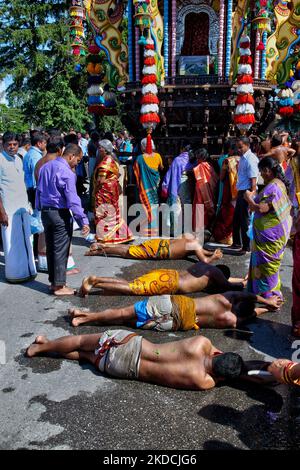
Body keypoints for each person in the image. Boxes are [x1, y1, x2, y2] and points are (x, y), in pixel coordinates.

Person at [25, 331, 289, 390]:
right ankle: (46, 348)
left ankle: (42, 347)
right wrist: (269, 377)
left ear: (218, 354)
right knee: (85, 356)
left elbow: (221, 358)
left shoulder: (202, 344)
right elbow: (234, 376)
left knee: (84, 343)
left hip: (132, 346)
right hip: (123, 369)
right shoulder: (205, 382)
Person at [69, 291, 283, 330]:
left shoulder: (224, 299)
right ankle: (84, 318)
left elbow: (247, 296)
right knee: (125, 320)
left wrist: (266, 300)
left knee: (124, 313)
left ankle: (85, 317)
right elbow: (251, 314)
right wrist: (265, 308)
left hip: (173, 305)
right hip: (174, 323)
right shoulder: (230, 320)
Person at [36, 144, 90, 295]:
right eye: (78, 160)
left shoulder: (45, 167)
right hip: (60, 213)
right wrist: (83, 220)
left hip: (46, 212)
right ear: (71, 156)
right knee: (60, 249)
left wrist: (40, 208)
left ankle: (54, 283)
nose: (77, 164)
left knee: (52, 248)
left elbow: (38, 191)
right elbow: (73, 199)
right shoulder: (67, 172)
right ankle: (59, 286)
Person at [245, 157, 292, 299]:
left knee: (267, 265)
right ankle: (265, 292)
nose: (260, 175)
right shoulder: (279, 184)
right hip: (274, 234)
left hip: (270, 238)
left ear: (268, 171)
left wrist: (248, 198)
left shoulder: (273, 187)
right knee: (268, 266)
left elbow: (261, 208)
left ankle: (269, 295)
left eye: (261, 171)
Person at [78, 261, 246, 297]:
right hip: (170, 283)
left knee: (133, 283)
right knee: (134, 289)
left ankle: (97, 280)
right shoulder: (215, 274)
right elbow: (226, 285)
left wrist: (240, 279)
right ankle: (94, 280)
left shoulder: (204, 266)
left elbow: (223, 280)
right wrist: (243, 284)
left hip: (167, 274)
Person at [0, 131, 37, 282]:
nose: (12, 147)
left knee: (27, 240)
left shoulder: (19, 158)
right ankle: (14, 275)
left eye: (15, 144)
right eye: (9, 145)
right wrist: (2, 212)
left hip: (23, 208)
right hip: (8, 209)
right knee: (11, 243)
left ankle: (28, 271)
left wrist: (28, 205)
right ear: (3, 145)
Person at [85, 232, 223, 264]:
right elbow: (204, 260)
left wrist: (211, 252)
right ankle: (101, 250)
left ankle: (105, 245)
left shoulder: (189, 236)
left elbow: (201, 251)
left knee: (132, 247)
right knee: (128, 252)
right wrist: (213, 257)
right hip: (160, 250)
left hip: (158, 243)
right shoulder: (196, 245)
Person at [92, 139, 133, 244]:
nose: (98, 150)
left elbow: (101, 180)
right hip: (112, 189)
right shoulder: (113, 159)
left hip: (104, 191)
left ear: (105, 150)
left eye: (100, 148)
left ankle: (106, 236)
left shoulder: (105, 162)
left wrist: (95, 188)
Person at [230, 137, 259, 254]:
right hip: (241, 191)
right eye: (238, 147)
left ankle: (246, 246)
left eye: (240, 147)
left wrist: (251, 196)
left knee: (244, 220)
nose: (239, 149)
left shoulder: (250, 159)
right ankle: (237, 243)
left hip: (246, 192)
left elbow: (253, 180)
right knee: (237, 219)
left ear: (247, 145)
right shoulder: (243, 158)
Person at [161, 142, 197, 235]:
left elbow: (170, 174)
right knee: (187, 205)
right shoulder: (193, 159)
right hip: (189, 183)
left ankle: (176, 230)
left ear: (182, 149)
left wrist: (165, 184)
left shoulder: (178, 159)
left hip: (178, 184)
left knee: (176, 207)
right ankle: (187, 229)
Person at [133, 137, 164, 237]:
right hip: (154, 186)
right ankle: (154, 230)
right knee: (154, 206)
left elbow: (136, 173)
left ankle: (144, 230)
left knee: (145, 207)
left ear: (143, 147)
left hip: (144, 187)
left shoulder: (139, 159)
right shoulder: (158, 156)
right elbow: (161, 168)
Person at [212, 141, 239, 245]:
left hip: (229, 189)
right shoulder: (243, 160)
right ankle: (235, 236)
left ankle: (226, 237)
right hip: (240, 190)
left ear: (231, 150)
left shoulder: (227, 161)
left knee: (227, 213)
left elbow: (222, 177)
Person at [192, 148, 218, 235]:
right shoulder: (209, 165)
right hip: (210, 192)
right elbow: (214, 180)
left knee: (200, 210)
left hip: (201, 192)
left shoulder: (199, 167)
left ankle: (200, 230)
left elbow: (200, 182)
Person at [23, 132, 48, 209]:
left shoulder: (30, 153)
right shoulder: (35, 156)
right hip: (34, 189)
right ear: (39, 143)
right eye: (45, 143)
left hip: (31, 188)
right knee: (37, 216)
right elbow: (36, 173)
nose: (45, 145)